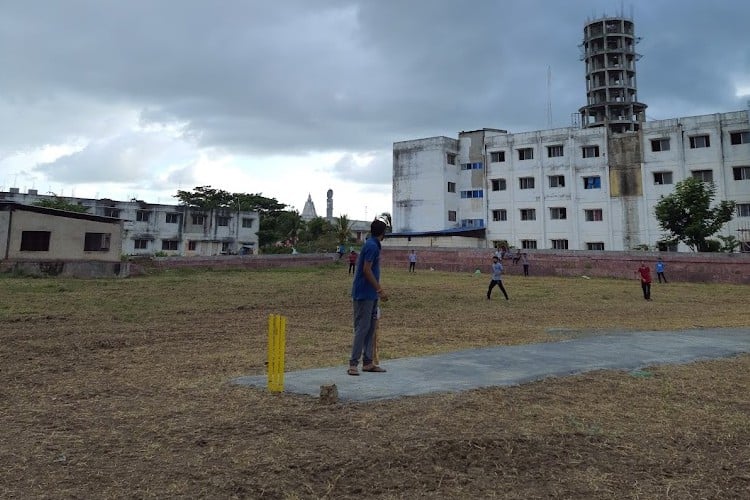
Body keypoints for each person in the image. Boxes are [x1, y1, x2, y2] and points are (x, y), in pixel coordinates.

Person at [348, 219, 389, 375]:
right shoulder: (372, 246)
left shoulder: (374, 245)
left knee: (371, 328)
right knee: (362, 328)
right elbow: (366, 270)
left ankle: (368, 362)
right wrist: (380, 290)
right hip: (364, 293)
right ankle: (353, 363)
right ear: (382, 233)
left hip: (371, 294)